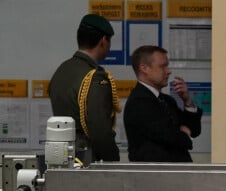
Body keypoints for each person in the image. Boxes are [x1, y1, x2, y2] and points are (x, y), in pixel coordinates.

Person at [48, 13, 121, 162]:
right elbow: (100, 130)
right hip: (86, 159)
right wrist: (113, 163)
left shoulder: (62, 69)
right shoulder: (95, 77)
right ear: (103, 41)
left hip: (61, 156)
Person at [124, 45, 202, 162]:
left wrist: (187, 101)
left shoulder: (167, 100)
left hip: (176, 175)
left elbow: (194, 130)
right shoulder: (139, 102)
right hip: (155, 177)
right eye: (163, 66)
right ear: (144, 68)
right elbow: (171, 138)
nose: (169, 71)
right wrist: (184, 134)